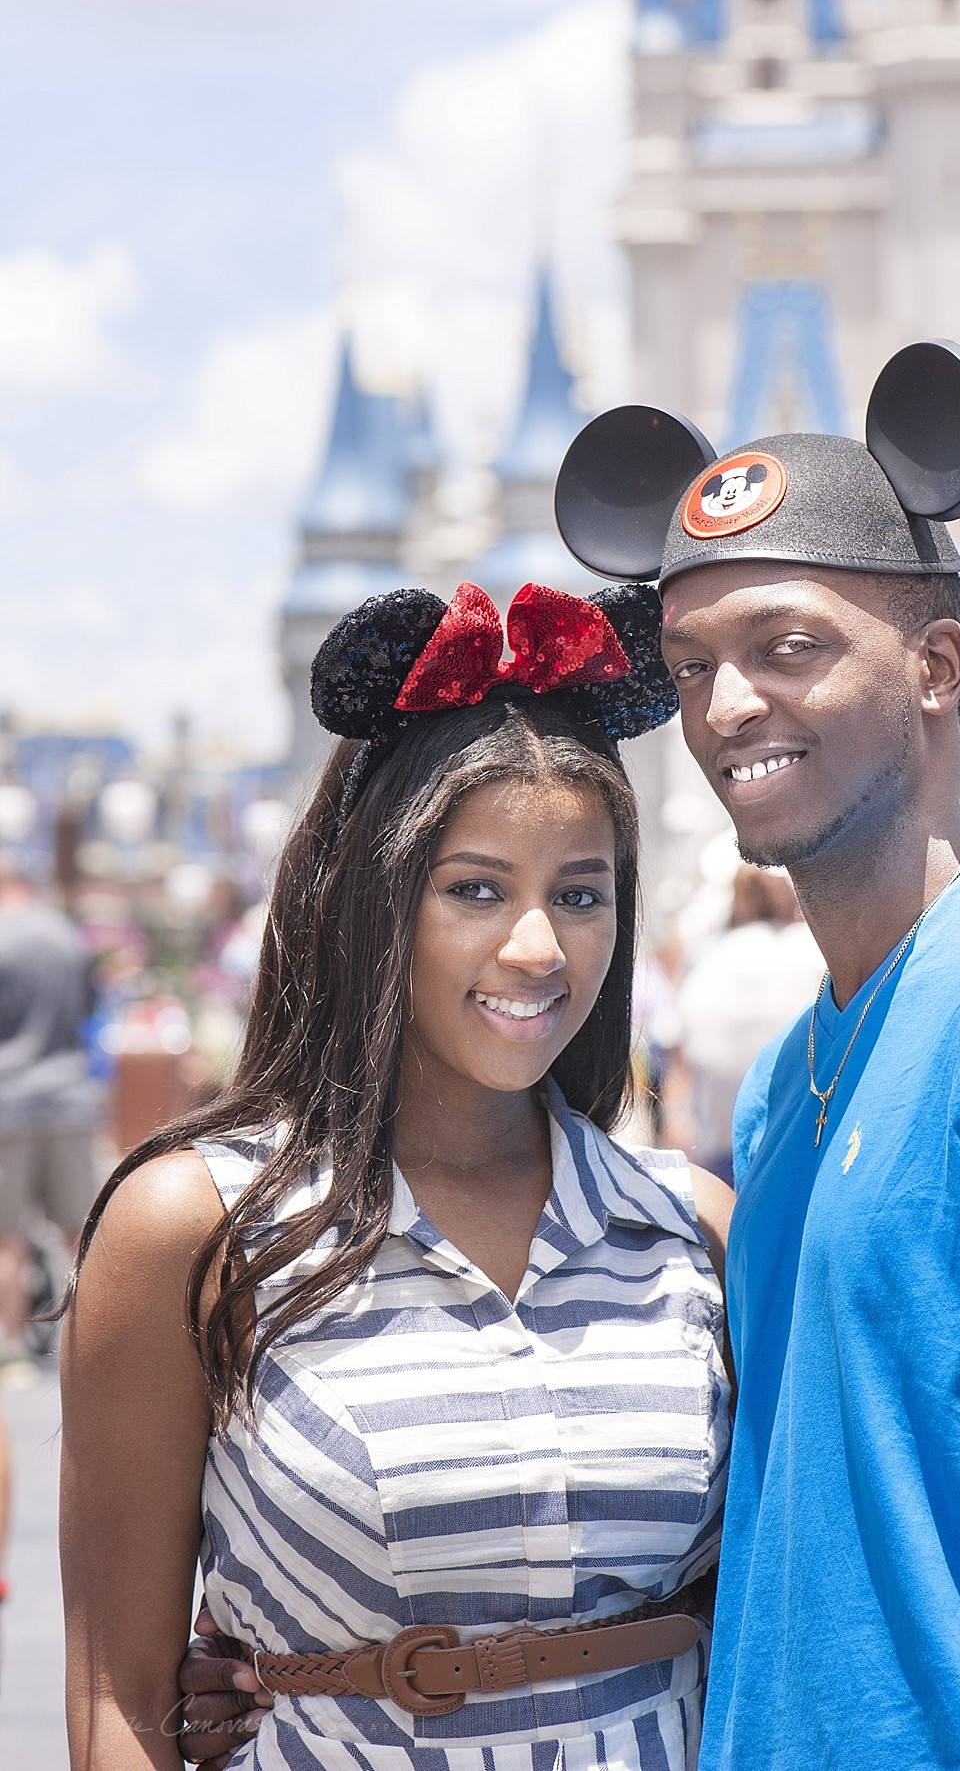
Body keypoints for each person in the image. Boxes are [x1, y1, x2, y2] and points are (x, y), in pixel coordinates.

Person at [547, 353, 960, 1770]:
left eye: (788, 648)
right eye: (693, 666)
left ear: (940, 664)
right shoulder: (794, 1071)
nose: (726, 708)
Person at [59, 579, 732, 1771]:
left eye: (581, 894)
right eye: (476, 889)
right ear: (374, 898)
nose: (538, 945)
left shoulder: (692, 1230)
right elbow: (119, 1696)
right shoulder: (197, 1231)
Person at [0, 863, 100, 1356]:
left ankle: (13, 1345)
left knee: (5, 1238)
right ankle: (97, 1333)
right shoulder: (68, 937)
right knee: (80, 1230)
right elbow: (87, 1011)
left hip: (7, 1101)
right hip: (68, 1095)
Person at [674, 863, 824, 1185]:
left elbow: (682, 1053)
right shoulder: (814, 953)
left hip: (722, 1145)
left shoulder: (708, 961)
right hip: (802, 1139)